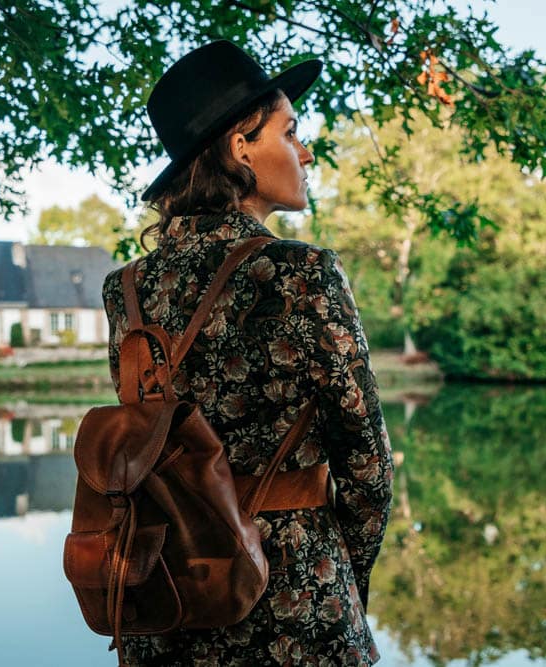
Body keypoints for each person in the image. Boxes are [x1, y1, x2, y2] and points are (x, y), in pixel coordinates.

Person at [101, 40, 393, 666]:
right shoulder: (304, 271)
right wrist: (344, 576)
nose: (306, 150)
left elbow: (144, 440)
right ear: (241, 147)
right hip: (292, 594)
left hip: (167, 595)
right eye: (291, 133)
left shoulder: (126, 289)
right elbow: (368, 468)